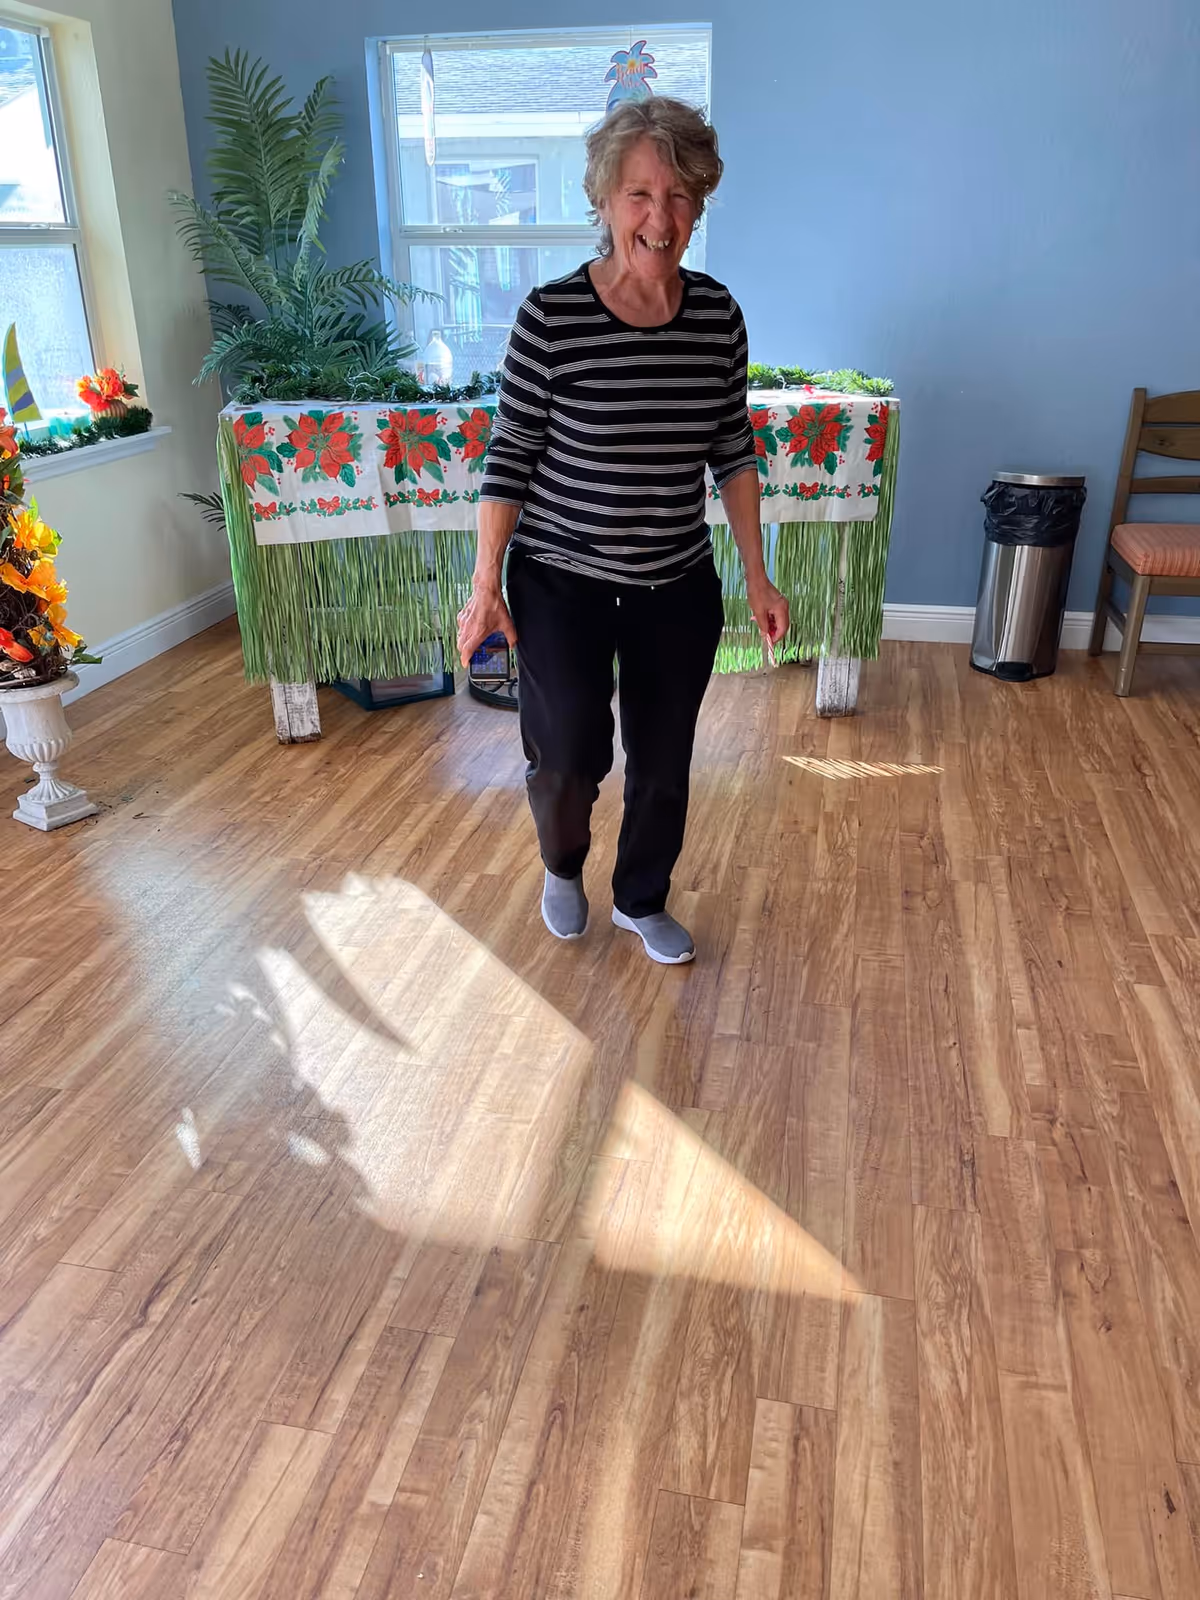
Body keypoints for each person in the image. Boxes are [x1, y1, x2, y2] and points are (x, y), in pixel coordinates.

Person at [457, 96, 788, 965]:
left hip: (674, 583)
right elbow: (510, 458)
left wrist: (756, 573)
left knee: (663, 759)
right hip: (561, 580)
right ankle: (562, 865)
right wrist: (486, 581)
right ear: (604, 203)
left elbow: (733, 452)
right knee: (567, 753)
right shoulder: (552, 317)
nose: (660, 217)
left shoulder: (716, 316)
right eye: (639, 195)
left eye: (680, 197)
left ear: (700, 207)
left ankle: (642, 897)